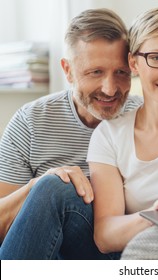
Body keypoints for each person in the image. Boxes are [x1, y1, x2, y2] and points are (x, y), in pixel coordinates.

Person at [0, 8, 142, 259]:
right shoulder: (30, 121)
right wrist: (37, 187)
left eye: (121, 72)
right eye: (95, 72)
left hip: (114, 250)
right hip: (44, 250)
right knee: (53, 186)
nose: (110, 89)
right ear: (67, 70)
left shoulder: (144, 118)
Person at [87, 6, 158, 255]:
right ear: (133, 63)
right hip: (150, 253)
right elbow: (105, 236)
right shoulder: (109, 136)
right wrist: (156, 215)